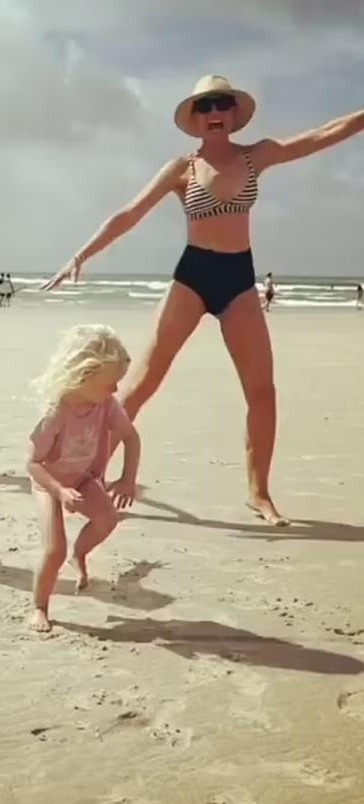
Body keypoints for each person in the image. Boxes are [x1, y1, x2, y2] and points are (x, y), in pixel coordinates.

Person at [43, 73, 364, 526]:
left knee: (262, 392)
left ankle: (260, 494)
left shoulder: (258, 155)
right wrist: (81, 254)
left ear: (234, 114)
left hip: (238, 280)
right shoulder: (182, 168)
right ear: (195, 120)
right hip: (193, 277)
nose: (214, 112)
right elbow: (129, 213)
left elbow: (319, 137)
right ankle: (88, 476)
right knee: (138, 388)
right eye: (205, 106)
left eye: (222, 104)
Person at [27, 324, 140, 632]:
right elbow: (33, 463)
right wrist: (59, 491)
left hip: (81, 478)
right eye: (110, 384)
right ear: (84, 376)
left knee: (108, 519)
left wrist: (127, 479)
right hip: (49, 483)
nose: (116, 391)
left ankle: (80, 553)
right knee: (54, 550)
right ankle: (40, 606)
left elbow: (131, 437)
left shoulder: (106, 405)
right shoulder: (56, 412)